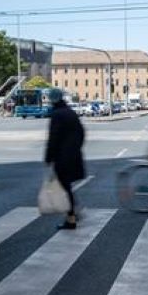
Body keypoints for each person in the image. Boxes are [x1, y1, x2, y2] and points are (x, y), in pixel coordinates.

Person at [45, 88, 85, 230]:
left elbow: (53, 138)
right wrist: (75, 148)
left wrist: (48, 157)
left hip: (62, 158)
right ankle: (72, 215)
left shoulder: (56, 114)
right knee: (66, 187)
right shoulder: (70, 112)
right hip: (73, 156)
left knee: (65, 188)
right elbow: (81, 133)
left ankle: (72, 218)